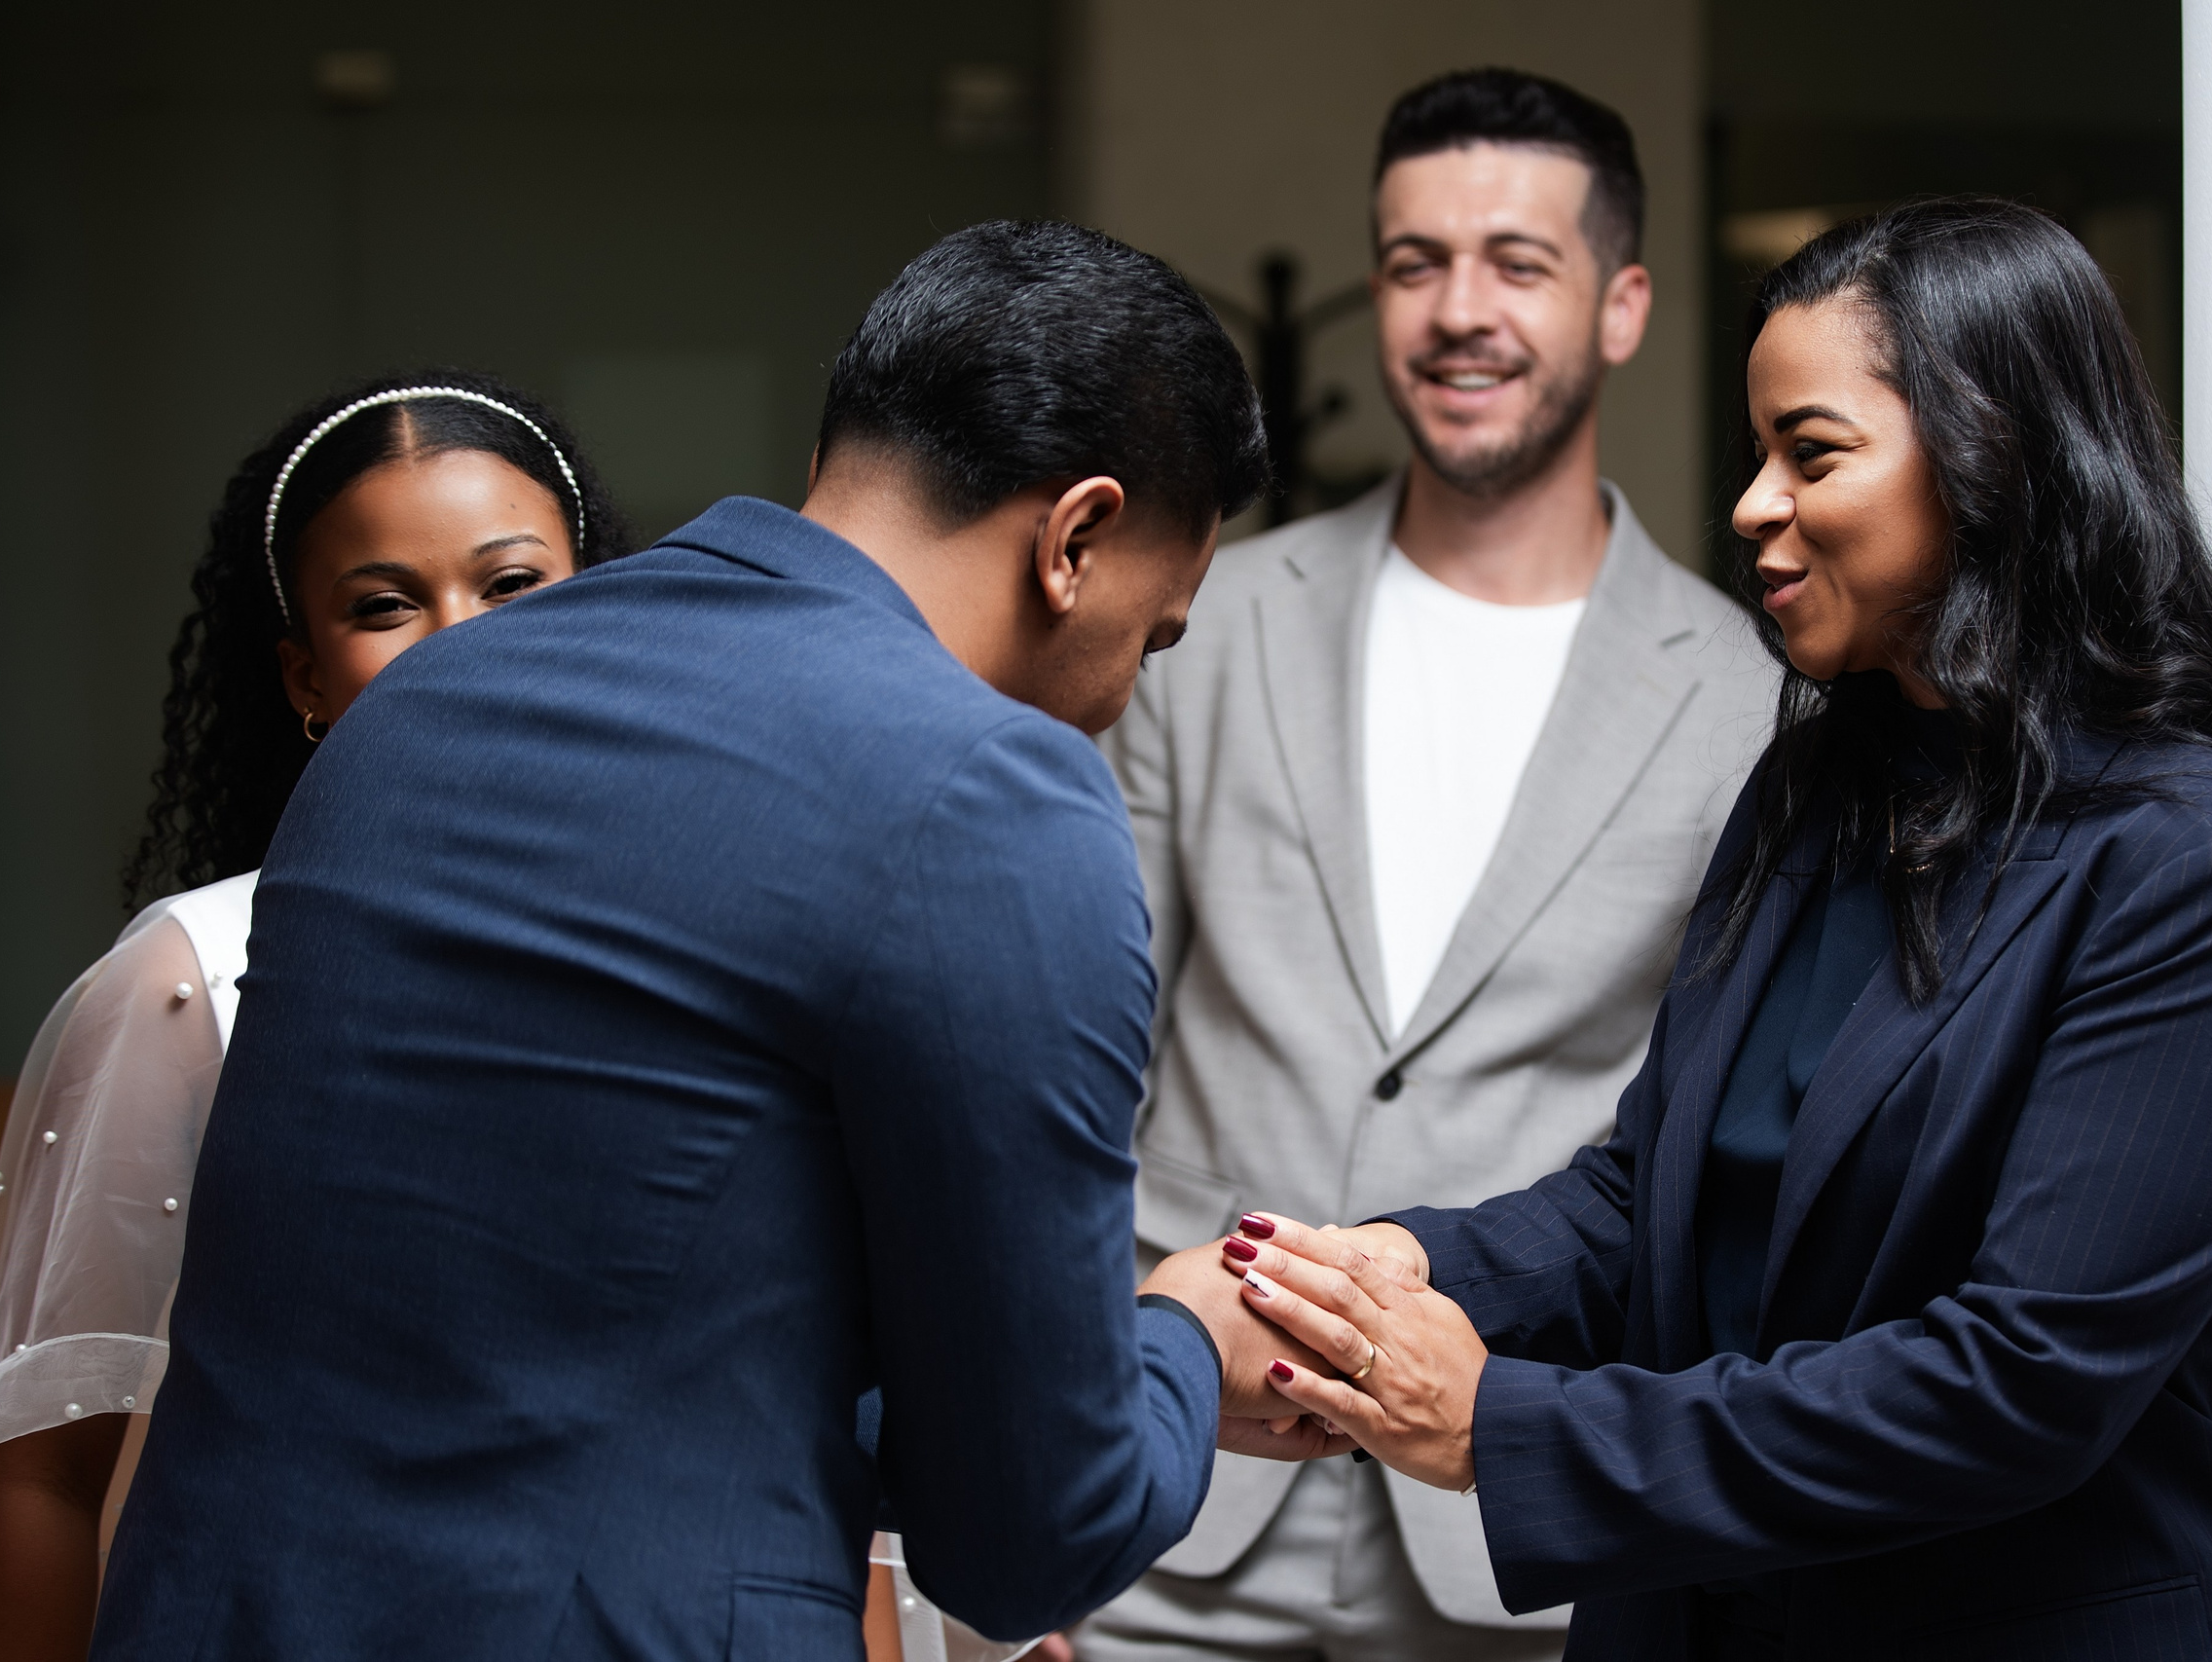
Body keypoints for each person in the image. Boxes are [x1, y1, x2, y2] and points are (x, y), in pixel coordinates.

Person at [88, 221, 1328, 1662]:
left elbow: (554, 1319)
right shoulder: (996, 794)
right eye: (1153, 637)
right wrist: (1177, 1341)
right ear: (1076, 540)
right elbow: (1025, 1540)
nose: (1124, 696)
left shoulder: (426, 709)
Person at [1219, 198, 2212, 1661]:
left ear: (1993, 456)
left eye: (1810, 454)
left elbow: (2020, 1382)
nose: (1753, 502)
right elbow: (1650, 1202)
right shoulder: (1819, 784)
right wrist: (1381, 1276)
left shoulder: (2197, 863)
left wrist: (1497, 1426)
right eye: (1759, 453)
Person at [1083, 67, 1772, 1658]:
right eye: (1415, 263)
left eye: (1517, 263)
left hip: (1502, 1518)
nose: (1460, 310)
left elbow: (1697, 1157)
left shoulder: (1745, 696)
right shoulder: (1210, 619)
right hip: (1170, 1490)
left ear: (1622, 305)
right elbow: (1083, 1063)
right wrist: (1057, 1473)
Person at [0, 370, 632, 1661]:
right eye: (384, 605)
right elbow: (42, 1476)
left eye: (512, 584)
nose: (462, 638)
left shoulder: (710, 943)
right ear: (305, 674)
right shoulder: (194, 977)